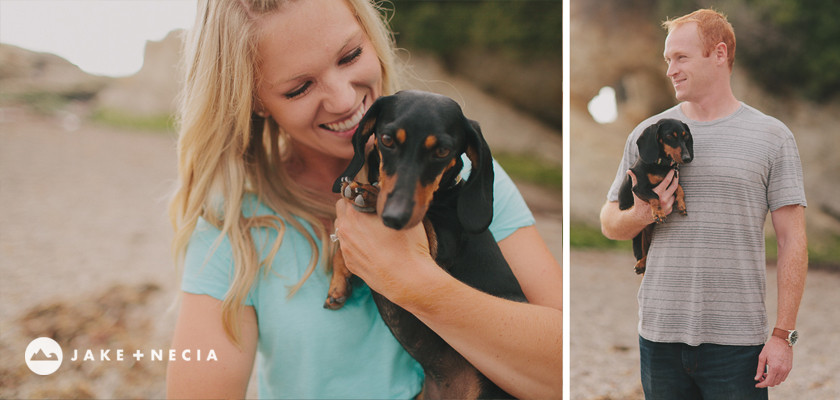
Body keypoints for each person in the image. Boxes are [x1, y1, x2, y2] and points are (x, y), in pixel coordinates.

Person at [165, 0, 562, 398]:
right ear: (253, 99)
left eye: (351, 55)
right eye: (299, 87)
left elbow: (564, 371)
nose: (343, 101)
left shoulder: (464, 179)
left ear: (371, 38)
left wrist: (415, 282)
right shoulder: (232, 223)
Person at [600, 9, 807, 399]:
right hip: (658, 336)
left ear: (719, 53)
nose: (670, 70)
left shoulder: (772, 137)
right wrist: (644, 212)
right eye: (667, 60)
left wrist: (783, 336)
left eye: (680, 57)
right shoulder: (647, 135)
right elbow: (610, 221)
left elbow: (792, 241)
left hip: (737, 343)